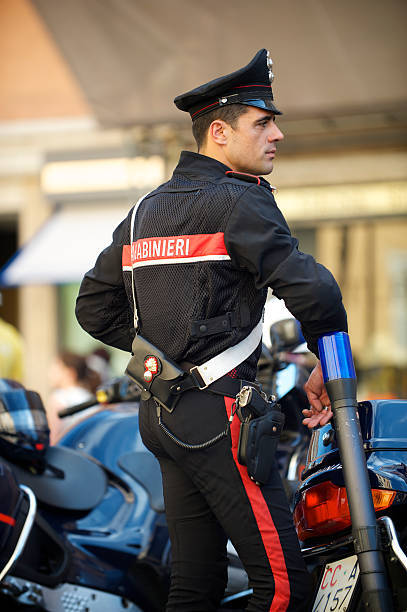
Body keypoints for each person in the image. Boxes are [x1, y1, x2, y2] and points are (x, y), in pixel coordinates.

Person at [76, 49, 347, 611]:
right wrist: (332, 362)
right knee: (285, 587)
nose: (277, 134)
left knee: (193, 588)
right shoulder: (239, 199)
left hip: (161, 412)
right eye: (262, 123)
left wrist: (164, 358)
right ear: (220, 132)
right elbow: (315, 291)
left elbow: (93, 309)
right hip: (221, 416)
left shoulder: (145, 209)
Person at [47, 350, 100, 443]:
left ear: (70, 373)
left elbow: (52, 438)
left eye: (56, 369)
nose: (50, 374)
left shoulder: (59, 398)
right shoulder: (90, 398)